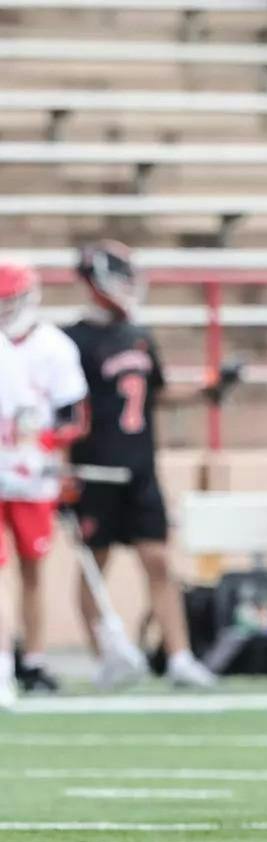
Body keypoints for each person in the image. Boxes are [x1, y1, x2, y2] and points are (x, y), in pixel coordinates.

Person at [64, 242, 219, 690]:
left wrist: (206, 390)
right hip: (95, 469)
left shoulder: (138, 334)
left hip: (140, 467)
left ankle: (180, 657)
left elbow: (155, 392)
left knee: (159, 561)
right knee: (95, 564)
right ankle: (105, 656)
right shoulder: (73, 340)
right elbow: (62, 409)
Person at [0, 263, 90, 693]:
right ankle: (3, 663)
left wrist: (45, 441)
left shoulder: (54, 347)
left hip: (33, 477)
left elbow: (74, 415)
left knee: (33, 569)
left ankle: (33, 659)